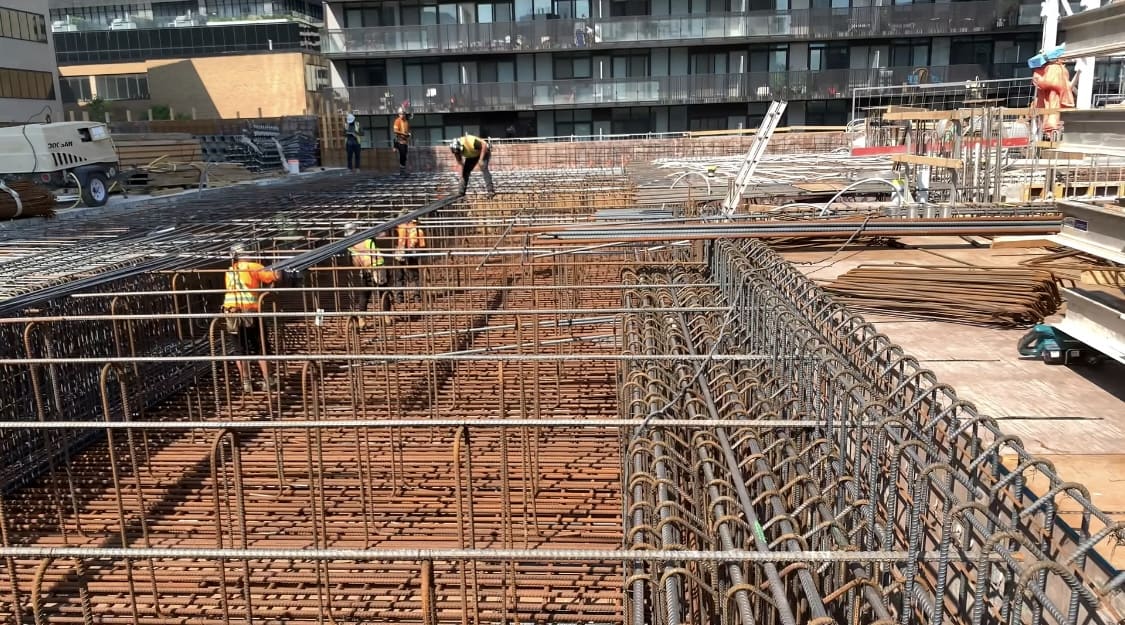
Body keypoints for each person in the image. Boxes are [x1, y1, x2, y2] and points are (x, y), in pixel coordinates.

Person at [222, 243, 280, 392]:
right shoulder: (253, 266)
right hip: (250, 312)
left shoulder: (230, 270)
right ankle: (268, 380)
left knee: (240, 349)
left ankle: (246, 383)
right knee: (261, 346)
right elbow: (274, 276)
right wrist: (278, 266)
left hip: (231, 313)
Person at [345, 223, 393, 328]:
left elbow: (354, 261)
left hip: (367, 268)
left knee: (364, 294)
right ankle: (386, 317)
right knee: (383, 292)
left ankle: (362, 320)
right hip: (378, 267)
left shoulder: (350, 245)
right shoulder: (368, 239)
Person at [394, 217, 426, 303]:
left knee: (400, 275)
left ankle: (399, 296)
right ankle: (416, 296)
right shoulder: (418, 231)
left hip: (401, 252)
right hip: (412, 253)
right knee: (415, 276)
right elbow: (422, 245)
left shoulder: (400, 227)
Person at [393, 109, 411, 177]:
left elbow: (407, 130)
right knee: (402, 155)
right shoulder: (397, 121)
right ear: (399, 114)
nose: (402, 115)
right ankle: (402, 171)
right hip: (399, 140)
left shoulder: (406, 121)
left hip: (405, 141)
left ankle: (403, 170)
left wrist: (408, 134)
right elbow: (395, 130)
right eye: (400, 114)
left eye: (403, 114)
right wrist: (403, 133)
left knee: (404, 156)